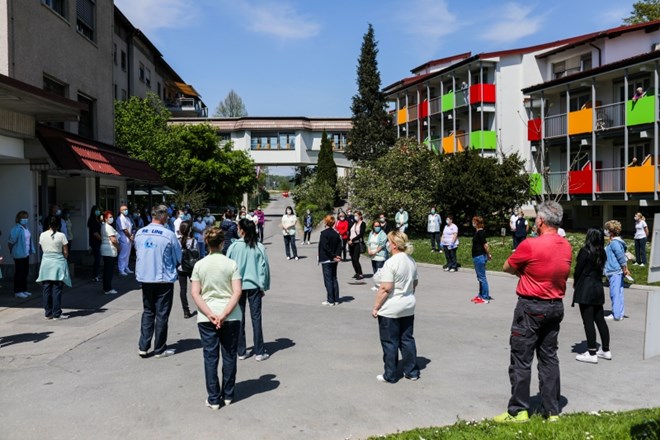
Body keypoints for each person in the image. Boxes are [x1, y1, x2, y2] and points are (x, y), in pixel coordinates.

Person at [494, 201, 572, 423]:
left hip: (531, 306)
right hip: (555, 305)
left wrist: (526, 274)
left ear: (541, 221)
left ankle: (519, 410)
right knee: (549, 357)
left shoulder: (530, 245)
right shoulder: (566, 246)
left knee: (521, 358)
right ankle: (552, 410)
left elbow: (507, 266)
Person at [190, 227, 243, 410]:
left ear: (207, 243)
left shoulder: (199, 265)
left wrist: (211, 313)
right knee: (229, 355)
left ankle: (213, 398)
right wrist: (225, 313)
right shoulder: (231, 264)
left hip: (207, 317)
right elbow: (237, 291)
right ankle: (228, 394)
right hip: (231, 316)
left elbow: (195, 293)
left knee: (210, 357)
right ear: (222, 243)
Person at [134, 204, 182, 358]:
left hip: (145, 277)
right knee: (162, 313)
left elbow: (138, 252)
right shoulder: (168, 235)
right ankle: (159, 348)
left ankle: (143, 345)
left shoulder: (140, 233)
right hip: (163, 279)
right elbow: (178, 257)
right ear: (163, 216)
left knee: (148, 311)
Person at [372, 231, 419, 383]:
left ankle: (390, 375)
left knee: (390, 341)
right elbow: (415, 283)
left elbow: (385, 288)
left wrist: (376, 307)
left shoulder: (391, 263)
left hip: (391, 308)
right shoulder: (411, 260)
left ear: (393, 244)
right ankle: (411, 371)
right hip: (408, 305)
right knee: (407, 339)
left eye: (388, 241)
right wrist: (407, 294)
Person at [227, 218, 271, 361]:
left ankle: (241, 350)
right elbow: (264, 269)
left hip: (237, 286)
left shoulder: (234, 247)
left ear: (242, 230)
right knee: (256, 318)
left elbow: (227, 268)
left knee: (239, 318)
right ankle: (259, 351)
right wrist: (263, 286)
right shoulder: (258, 246)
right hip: (254, 286)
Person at [572, 228, 611, 364]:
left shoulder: (585, 251)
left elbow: (578, 270)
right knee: (599, 319)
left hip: (586, 287)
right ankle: (605, 350)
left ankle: (591, 352)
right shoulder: (602, 252)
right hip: (597, 286)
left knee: (588, 321)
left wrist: (576, 282)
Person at [36, 215, 71, 320]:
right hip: (58, 263)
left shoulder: (42, 235)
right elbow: (65, 251)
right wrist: (64, 257)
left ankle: (48, 313)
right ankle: (57, 313)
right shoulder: (61, 235)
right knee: (57, 288)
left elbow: (42, 248)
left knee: (46, 288)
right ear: (59, 224)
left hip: (46, 263)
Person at [604, 220, 630, 322]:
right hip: (615, 271)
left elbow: (620, 257)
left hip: (614, 271)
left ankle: (616, 314)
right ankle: (619, 313)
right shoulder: (614, 242)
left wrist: (625, 269)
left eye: (606, 229)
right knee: (618, 293)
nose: (605, 231)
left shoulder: (614, 243)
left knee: (614, 293)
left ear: (611, 231)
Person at [8, 210, 36, 298]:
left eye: (26, 217)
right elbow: (10, 242)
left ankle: (24, 290)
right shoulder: (16, 229)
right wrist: (12, 251)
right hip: (19, 254)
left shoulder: (26, 228)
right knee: (19, 273)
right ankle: (17, 291)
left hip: (26, 253)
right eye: (23, 217)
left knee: (25, 272)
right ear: (19, 219)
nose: (25, 219)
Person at [318, 215, 343, 306]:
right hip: (334, 260)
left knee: (328, 280)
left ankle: (330, 300)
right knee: (334, 278)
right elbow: (339, 246)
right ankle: (336, 299)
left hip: (327, 259)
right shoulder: (336, 234)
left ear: (326, 222)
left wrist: (332, 256)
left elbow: (325, 247)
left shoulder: (324, 234)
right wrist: (337, 256)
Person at [177, 221, 197, 319]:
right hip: (192, 267)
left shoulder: (178, 241)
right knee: (197, 288)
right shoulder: (194, 241)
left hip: (181, 267)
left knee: (183, 289)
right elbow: (198, 254)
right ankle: (201, 307)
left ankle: (186, 310)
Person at [471, 216, 492, 304]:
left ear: (477, 223)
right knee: (480, 278)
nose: (473, 223)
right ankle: (480, 295)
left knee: (482, 278)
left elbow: (486, 245)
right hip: (477, 257)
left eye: (474, 221)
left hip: (480, 257)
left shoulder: (481, 232)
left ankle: (485, 297)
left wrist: (488, 254)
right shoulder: (478, 232)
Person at [100, 211, 119, 295]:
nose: (111, 218)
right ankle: (108, 288)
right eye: (109, 217)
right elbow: (113, 240)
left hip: (106, 249)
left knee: (107, 270)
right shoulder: (108, 227)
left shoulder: (104, 226)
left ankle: (106, 287)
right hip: (109, 249)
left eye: (112, 216)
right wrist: (119, 247)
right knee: (109, 270)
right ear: (105, 218)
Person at [367, 220, 388, 291]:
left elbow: (382, 245)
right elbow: (368, 243)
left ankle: (381, 286)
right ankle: (376, 284)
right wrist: (369, 250)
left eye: (378, 226)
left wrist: (375, 252)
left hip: (380, 255)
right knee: (375, 271)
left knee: (380, 272)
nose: (377, 227)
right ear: (373, 226)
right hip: (372, 255)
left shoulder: (383, 234)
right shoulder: (371, 233)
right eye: (375, 226)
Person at [348, 210, 366, 280]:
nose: (355, 217)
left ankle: (361, 273)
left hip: (357, 243)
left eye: (356, 215)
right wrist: (349, 240)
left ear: (360, 216)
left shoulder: (362, 224)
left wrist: (352, 240)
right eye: (354, 215)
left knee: (356, 259)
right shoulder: (353, 223)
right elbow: (349, 232)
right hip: (351, 243)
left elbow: (361, 234)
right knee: (352, 259)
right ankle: (357, 272)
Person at [117, 204, 133, 275]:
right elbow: (124, 230)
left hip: (128, 238)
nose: (126, 211)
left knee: (127, 254)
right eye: (124, 209)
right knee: (123, 254)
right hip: (123, 238)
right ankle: (121, 269)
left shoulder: (127, 218)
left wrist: (131, 235)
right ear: (120, 211)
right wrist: (130, 236)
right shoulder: (120, 219)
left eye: (126, 209)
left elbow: (130, 228)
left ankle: (126, 267)